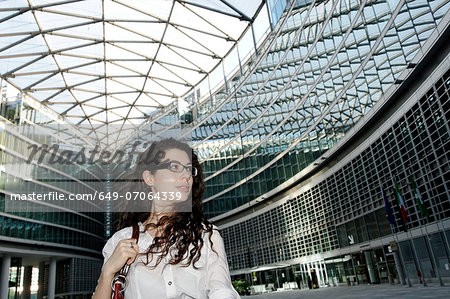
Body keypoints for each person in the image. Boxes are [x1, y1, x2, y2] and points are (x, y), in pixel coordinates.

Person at [93, 138, 240, 299]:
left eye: (189, 169)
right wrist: (108, 272)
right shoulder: (121, 240)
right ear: (150, 178)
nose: (186, 176)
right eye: (175, 167)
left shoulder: (207, 235)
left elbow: (222, 291)